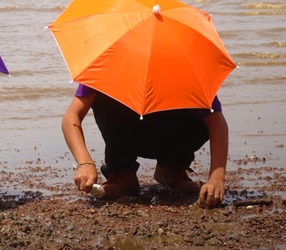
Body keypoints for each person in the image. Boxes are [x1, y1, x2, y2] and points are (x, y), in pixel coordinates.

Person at [61, 85, 229, 208]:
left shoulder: (183, 71)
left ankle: (171, 168)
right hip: (125, 135)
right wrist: (85, 163)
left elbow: (216, 121)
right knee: (103, 95)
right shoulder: (105, 67)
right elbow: (72, 116)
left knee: (204, 116)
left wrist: (216, 177)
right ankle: (122, 172)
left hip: (172, 137)